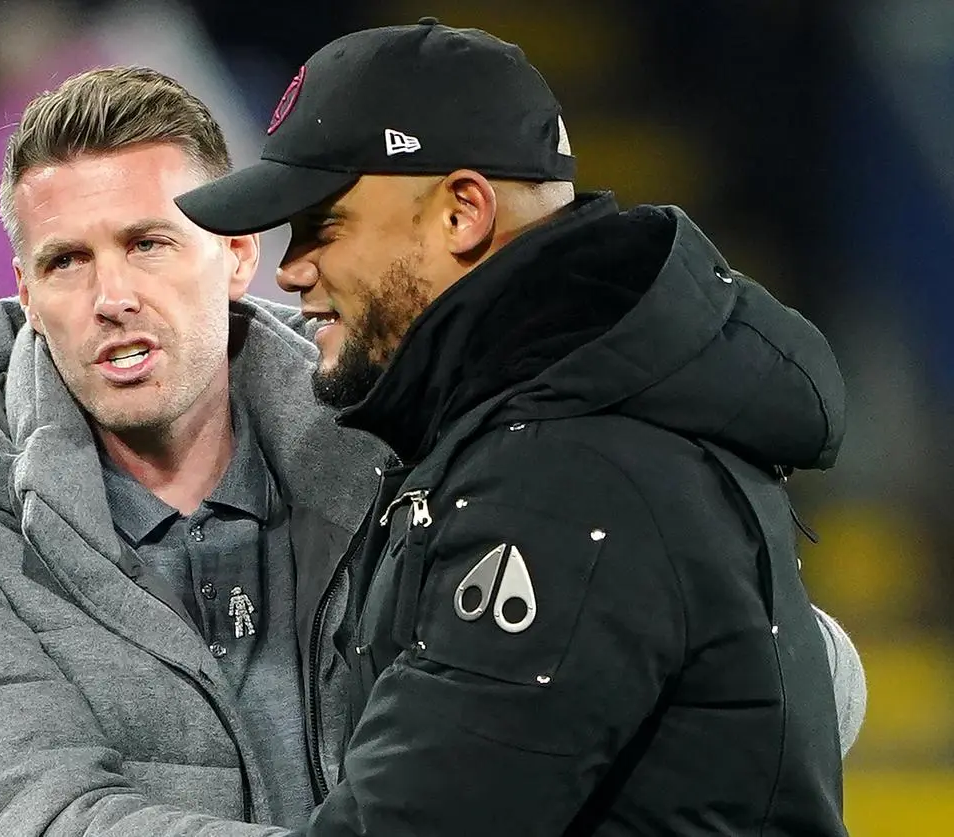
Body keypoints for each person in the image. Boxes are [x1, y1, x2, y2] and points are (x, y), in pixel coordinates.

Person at [175, 17, 866, 837]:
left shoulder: (566, 473)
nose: (291, 270)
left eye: (322, 226)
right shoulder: (559, 417)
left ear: (462, 212)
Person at [0, 66, 389, 836]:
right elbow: (43, 819)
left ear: (237, 253)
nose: (112, 297)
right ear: (26, 295)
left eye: (148, 243)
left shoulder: (396, 470)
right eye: (66, 261)